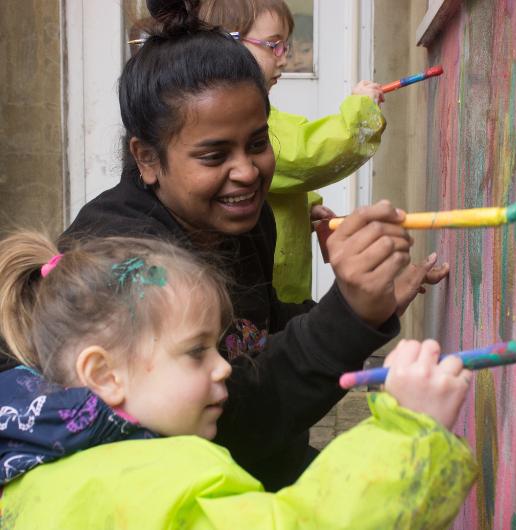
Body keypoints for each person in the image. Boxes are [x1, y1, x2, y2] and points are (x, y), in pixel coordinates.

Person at [61, 0, 426, 491]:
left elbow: (257, 331)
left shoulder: (242, 221)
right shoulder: (124, 258)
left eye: (257, 143)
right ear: (147, 158)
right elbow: (231, 420)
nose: (248, 172)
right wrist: (350, 315)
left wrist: (369, 296)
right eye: (214, 155)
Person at [0, 231, 476, 529]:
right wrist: (411, 432)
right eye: (195, 352)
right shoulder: (163, 484)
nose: (224, 366)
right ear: (104, 374)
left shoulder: (32, 467)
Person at [196, 0, 449, 303]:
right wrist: (360, 113)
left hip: (278, 283)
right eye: (273, 45)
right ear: (228, 44)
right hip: (259, 293)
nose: (284, 59)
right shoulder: (245, 123)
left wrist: (308, 206)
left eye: (285, 46)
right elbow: (304, 155)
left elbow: (281, 176)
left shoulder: (258, 114)